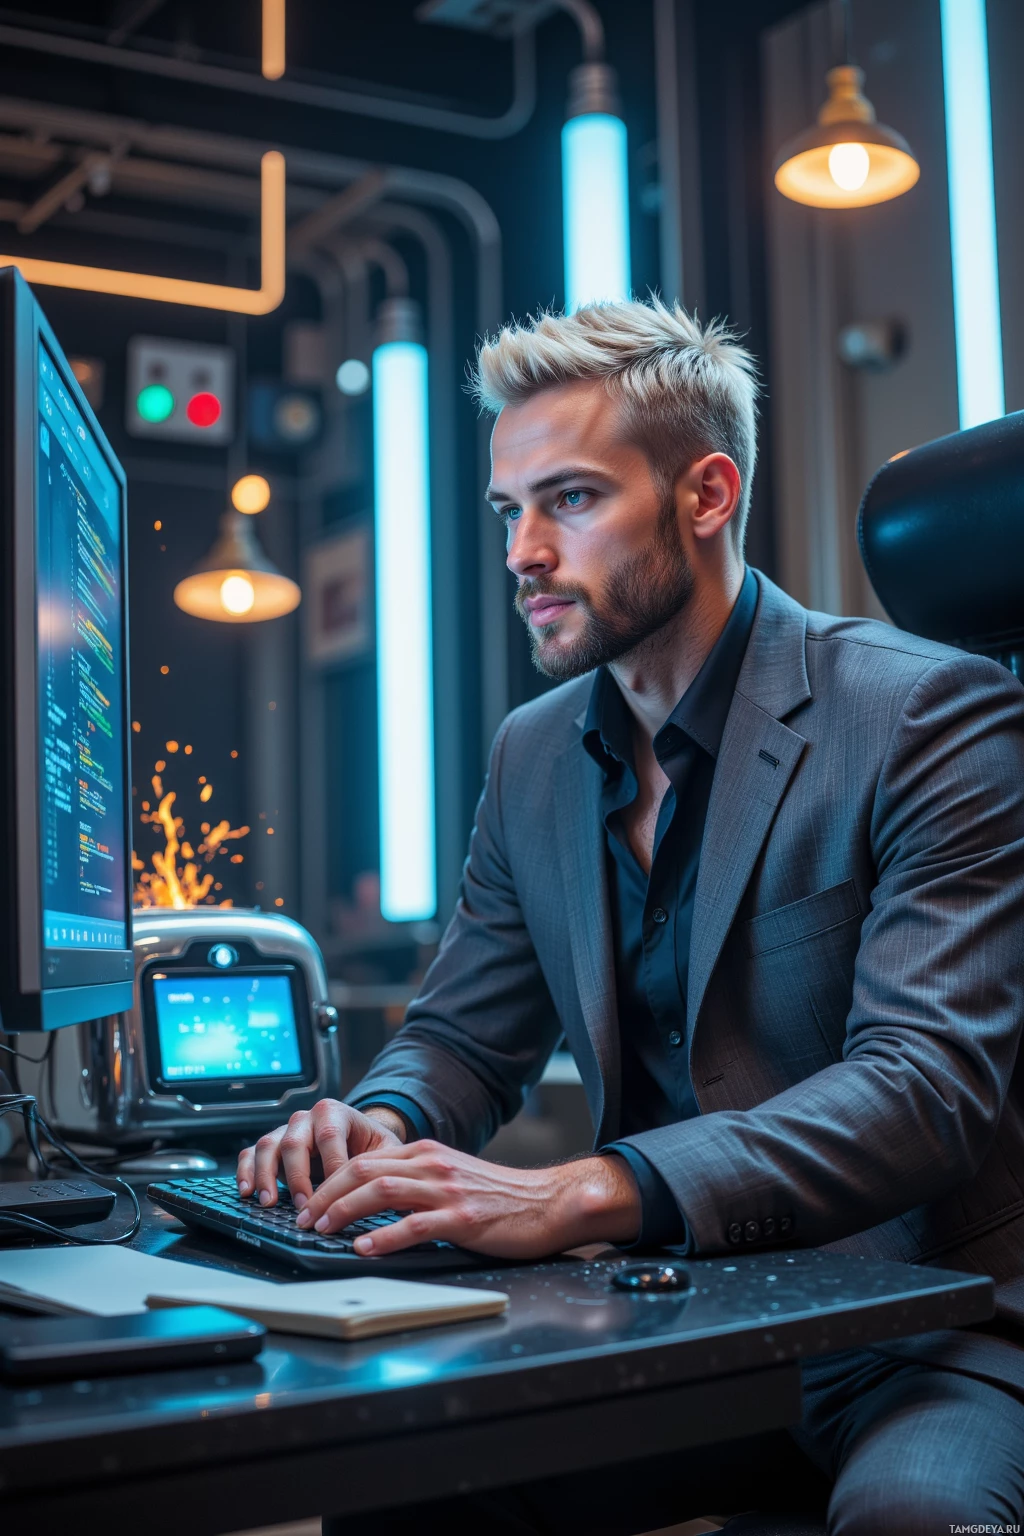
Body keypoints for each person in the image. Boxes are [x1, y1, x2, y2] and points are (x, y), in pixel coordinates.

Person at [238, 298, 1024, 1533]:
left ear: (705, 495)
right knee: (393, 1476)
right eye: (511, 511)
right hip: (689, 1319)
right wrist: (376, 1125)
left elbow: (922, 1089)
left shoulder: (929, 715)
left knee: (910, 1522)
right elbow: (461, 1037)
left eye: (571, 500)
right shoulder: (535, 756)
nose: (522, 553)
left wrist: (578, 1192)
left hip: (928, 1321)